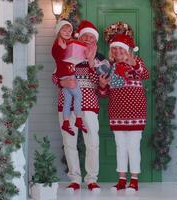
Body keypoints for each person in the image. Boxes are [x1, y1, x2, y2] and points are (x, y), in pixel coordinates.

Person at [52, 20, 107, 192]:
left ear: (96, 41)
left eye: (91, 37)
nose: (88, 39)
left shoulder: (101, 59)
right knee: (69, 143)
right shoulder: (66, 54)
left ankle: (91, 179)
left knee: (92, 143)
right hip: (67, 106)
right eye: (85, 36)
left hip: (89, 106)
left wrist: (91, 62)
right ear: (79, 38)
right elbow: (55, 76)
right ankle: (75, 179)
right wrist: (62, 82)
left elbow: (103, 85)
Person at [99, 34, 149, 192]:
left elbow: (145, 75)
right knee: (120, 147)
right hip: (117, 113)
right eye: (114, 49)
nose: (117, 51)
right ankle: (121, 179)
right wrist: (102, 85)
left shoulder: (136, 63)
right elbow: (104, 93)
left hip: (135, 113)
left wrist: (133, 63)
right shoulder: (109, 68)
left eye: (121, 48)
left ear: (128, 50)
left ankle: (134, 179)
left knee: (133, 146)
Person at [52, 19, 86, 136]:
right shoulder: (58, 44)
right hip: (67, 74)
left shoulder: (67, 43)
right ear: (59, 31)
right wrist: (62, 48)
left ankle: (66, 123)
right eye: (64, 30)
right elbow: (58, 57)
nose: (67, 32)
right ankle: (79, 119)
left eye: (69, 30)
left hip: (66, 73)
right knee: (78, 95)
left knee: (68, 99)